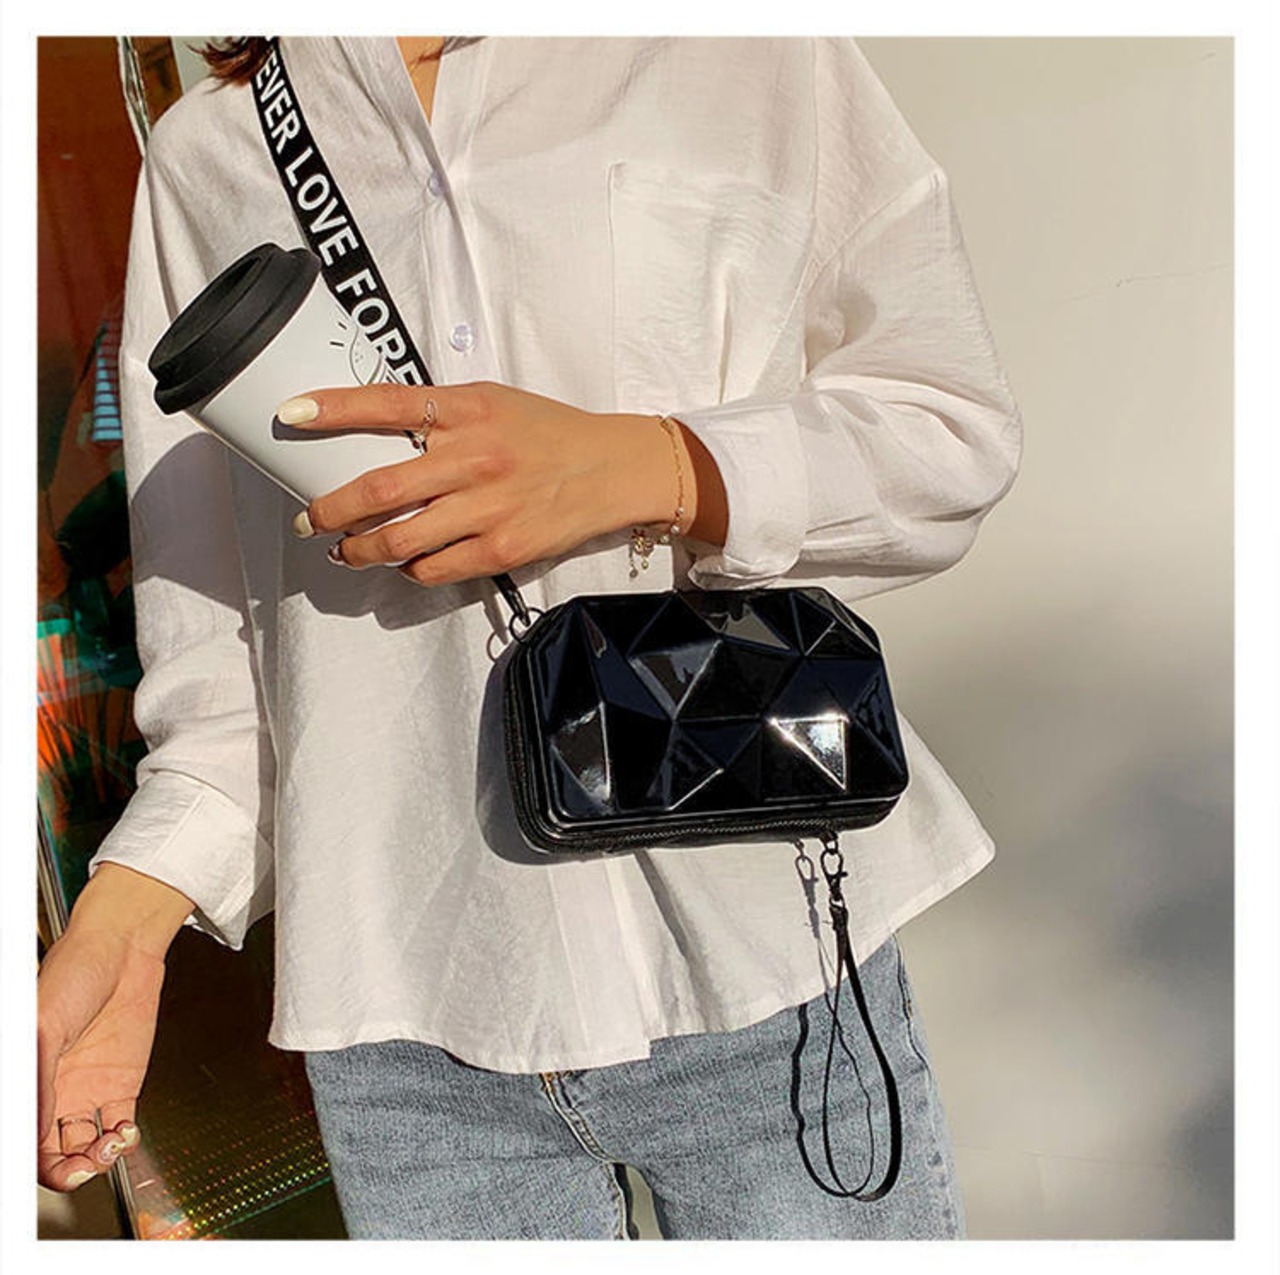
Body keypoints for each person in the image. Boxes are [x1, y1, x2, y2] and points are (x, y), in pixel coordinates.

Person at [37, 36, 1022, 1239]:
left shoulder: (737, 47)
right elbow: (228, 663)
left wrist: (651, 464)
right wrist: (121, 934)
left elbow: (944, 433)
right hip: (406, 1032)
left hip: (765, 958)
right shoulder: (213, 151)